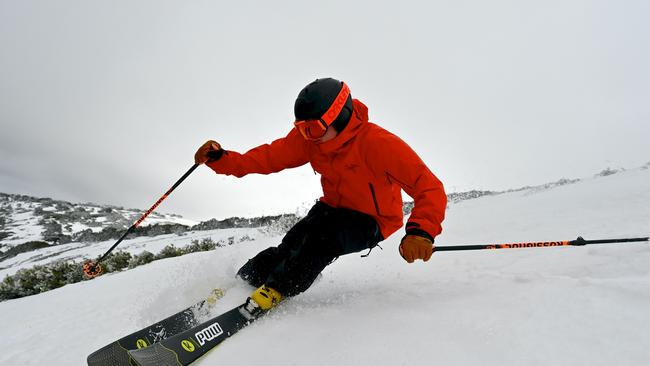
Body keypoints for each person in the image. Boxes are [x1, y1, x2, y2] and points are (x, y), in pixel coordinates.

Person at [194, 78, 447, 316]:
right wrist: (223, 160)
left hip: (373, 220)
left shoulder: (378, 144)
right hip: (333, 208)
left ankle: (276, 289)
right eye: (302, 129)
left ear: (341, 116)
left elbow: (429, 187)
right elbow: (268, 157)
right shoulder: (312, 141)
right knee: (292, 243)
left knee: (320, 242)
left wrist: (421, 232)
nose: (308, 136)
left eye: (313, 128)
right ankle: (242, 282)